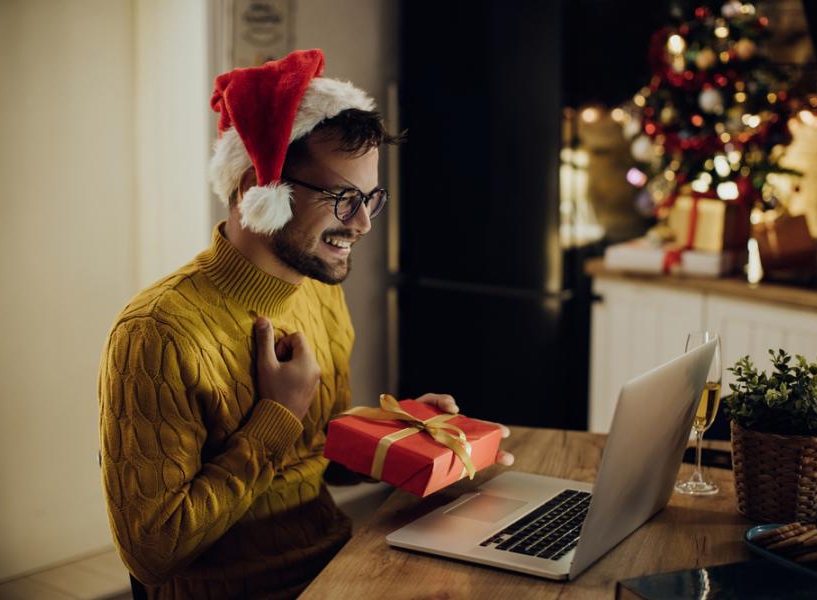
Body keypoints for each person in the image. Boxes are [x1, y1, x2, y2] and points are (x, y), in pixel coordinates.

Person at [98, 48, 512, 599]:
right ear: (255, 190)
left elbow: (325, 462)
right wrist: (277, 416)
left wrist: (403, 436)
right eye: (343, 198)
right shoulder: (156, 334)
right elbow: (152, 553)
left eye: (370, 198)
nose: (363, 223)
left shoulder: (318, 291)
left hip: (340, 565)